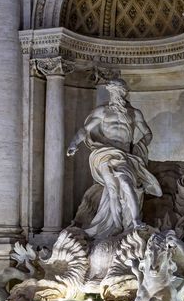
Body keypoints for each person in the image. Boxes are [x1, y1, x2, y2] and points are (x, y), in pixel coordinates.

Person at [67, 76, 160, 242]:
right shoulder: (102, 111)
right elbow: (84, 130)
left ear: (124, 93)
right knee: (112, 189)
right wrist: (73, 143)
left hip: (124, 155)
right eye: (112, 92)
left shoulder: (134, 113)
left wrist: (139, 147)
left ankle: (135, 221)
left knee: (126, 183)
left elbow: (148, 133)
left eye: (117, 91)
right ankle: (117, 225)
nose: (115, 95)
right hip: (105, 153)